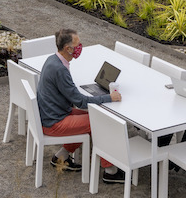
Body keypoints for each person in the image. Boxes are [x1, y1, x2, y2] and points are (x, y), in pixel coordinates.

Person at [37, 28, 127, 184]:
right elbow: (81, 102)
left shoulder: (53, 59)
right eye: (77, 44)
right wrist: (109, 97)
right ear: (68, 48)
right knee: (100, 122)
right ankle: (110, 171)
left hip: (53, 113)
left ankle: (61, 157)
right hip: (54, 122)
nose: (80, 47)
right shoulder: (59, 69)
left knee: (94, 117)